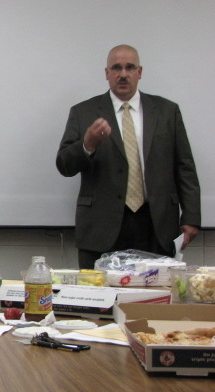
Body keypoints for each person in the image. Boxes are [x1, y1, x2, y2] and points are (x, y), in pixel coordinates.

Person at [56, 44, 201, 269]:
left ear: (139, 72)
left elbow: (184, 166)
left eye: (129, 67)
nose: (123, 74)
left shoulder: (166, 111)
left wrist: (191, 217)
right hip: (101, 227)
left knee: (154, 299)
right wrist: (87, 145)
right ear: (107, 74)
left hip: (156, 223)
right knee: (100, 299)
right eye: (116, 68)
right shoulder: (83, 112)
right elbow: (64, 165)